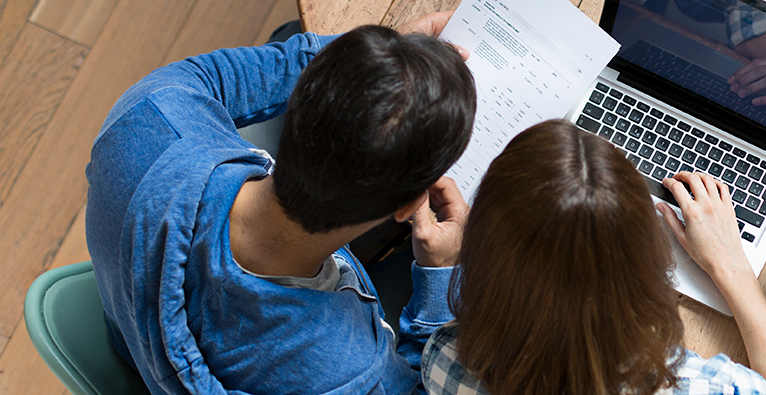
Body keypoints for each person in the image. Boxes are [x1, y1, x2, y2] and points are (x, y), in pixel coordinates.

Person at [85, 12, 477, 394]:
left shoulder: (149, 117)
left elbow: (221, 74)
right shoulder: (354, 372)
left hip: (135, 333)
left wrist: (375, 68)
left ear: (299, 97)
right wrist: (441, 276)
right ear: (410, 206)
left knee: (289, 32)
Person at [419, 119, 766, 395]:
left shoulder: (445, 361)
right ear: (649, 265)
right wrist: (732, 269)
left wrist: (440, 270)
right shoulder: (703, 386)